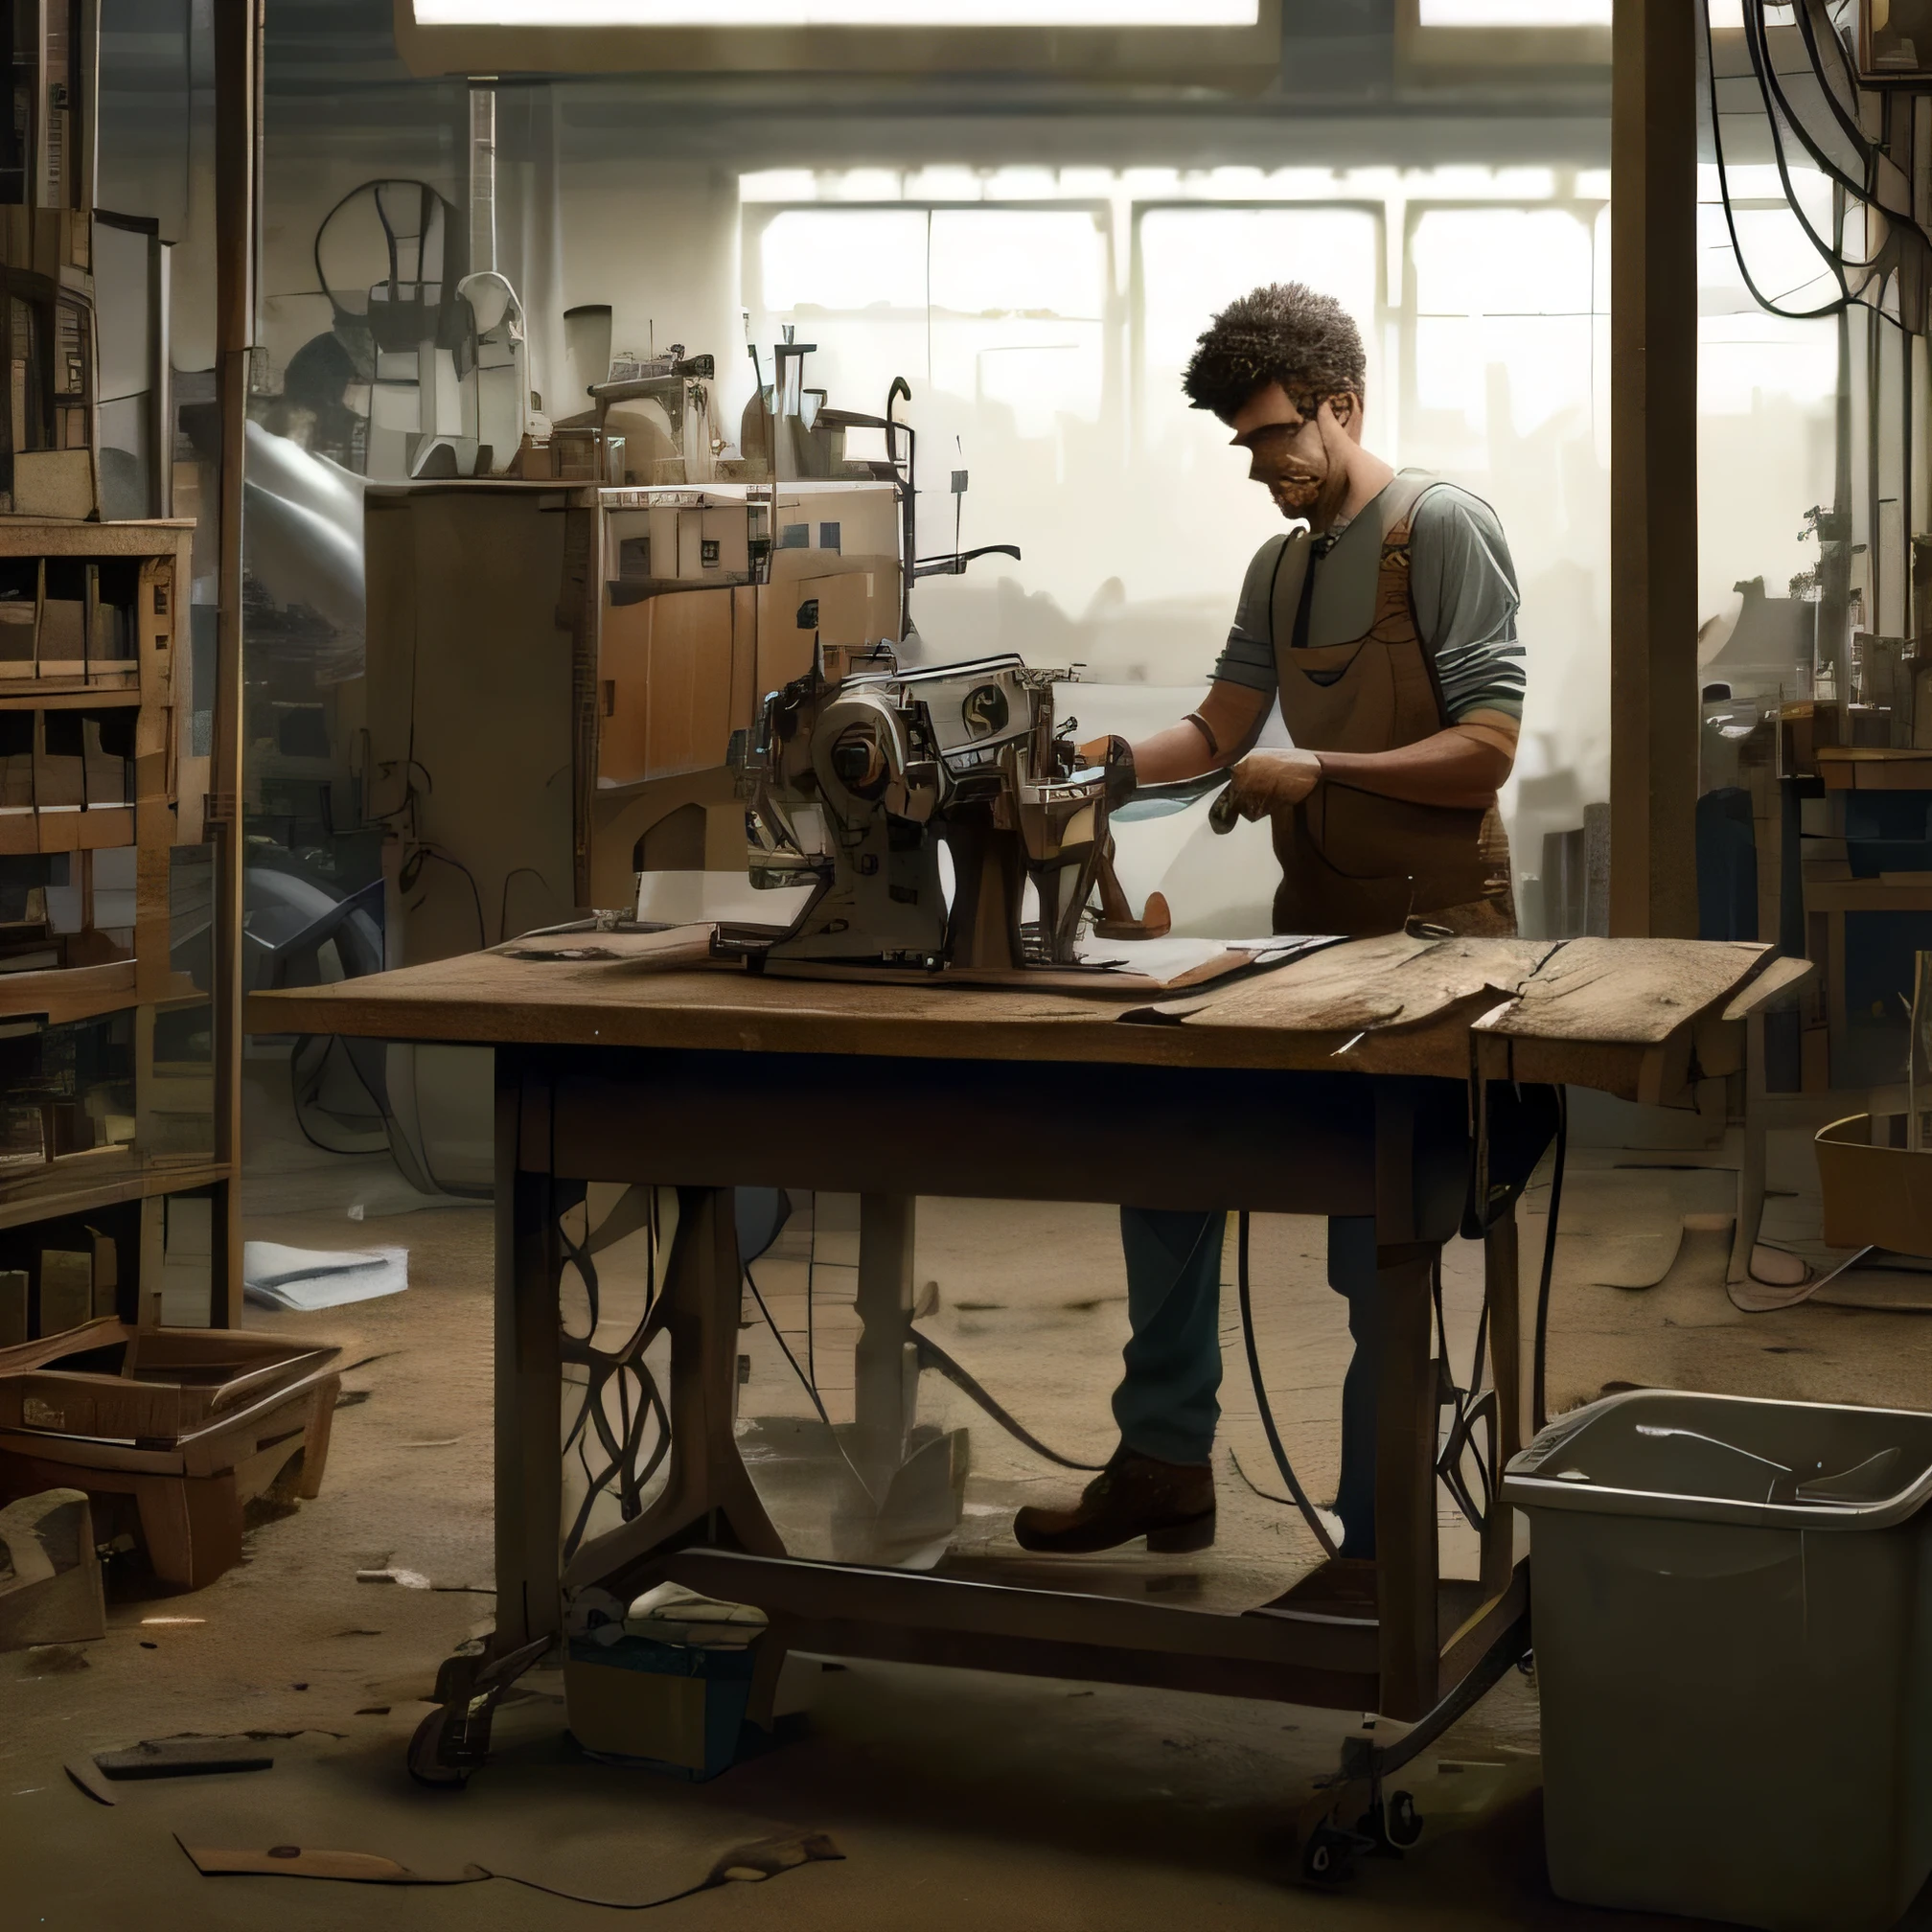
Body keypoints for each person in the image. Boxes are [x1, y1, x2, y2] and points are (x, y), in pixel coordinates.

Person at [1013, 281, 1526, 1562]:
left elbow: (1489, 750)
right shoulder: (1283, 567)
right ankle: (1166, 1463)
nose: (1261, 468)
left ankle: (1374, 1559)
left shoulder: (1441, 530)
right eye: (1244, 445)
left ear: (1343, 407)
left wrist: (1328, 770)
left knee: (1376, 1241)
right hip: (1317, 932)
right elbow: (1223, 729)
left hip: (1438, 941)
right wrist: (1105, 762)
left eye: (1277, 437)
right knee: (1169, 1161)